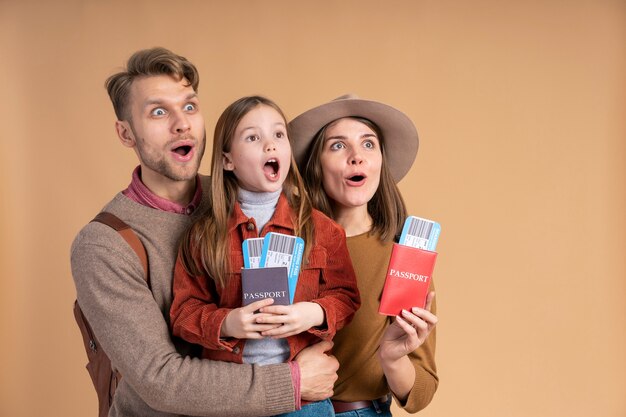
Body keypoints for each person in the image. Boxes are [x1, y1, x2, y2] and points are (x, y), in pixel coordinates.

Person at [70, 48, 340, 417]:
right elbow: (160, 379)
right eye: (159, 112)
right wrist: (293, 382)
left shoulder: (251, 197)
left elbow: (332, 265)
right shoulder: (105, 244)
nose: (182, 124)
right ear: (125, 133)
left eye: (190, 107)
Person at [169, 95, 361, 417]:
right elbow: (183, 312)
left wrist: (311, 313)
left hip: (303, 401)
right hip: (233, 398)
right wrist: (227, 322)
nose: (270, 145)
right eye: (253, 137)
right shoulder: (203, 236)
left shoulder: (323, 229)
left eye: (278, 135)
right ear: (228, 160)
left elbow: (346, 297)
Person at [289, 95, 439, 416]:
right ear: (316, 165)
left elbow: (421, 391)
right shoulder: (286, 245)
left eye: (368, 144)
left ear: (380, 162)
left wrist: (392, 357)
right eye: (338, 146)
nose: (356, 157)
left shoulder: (405, 258)